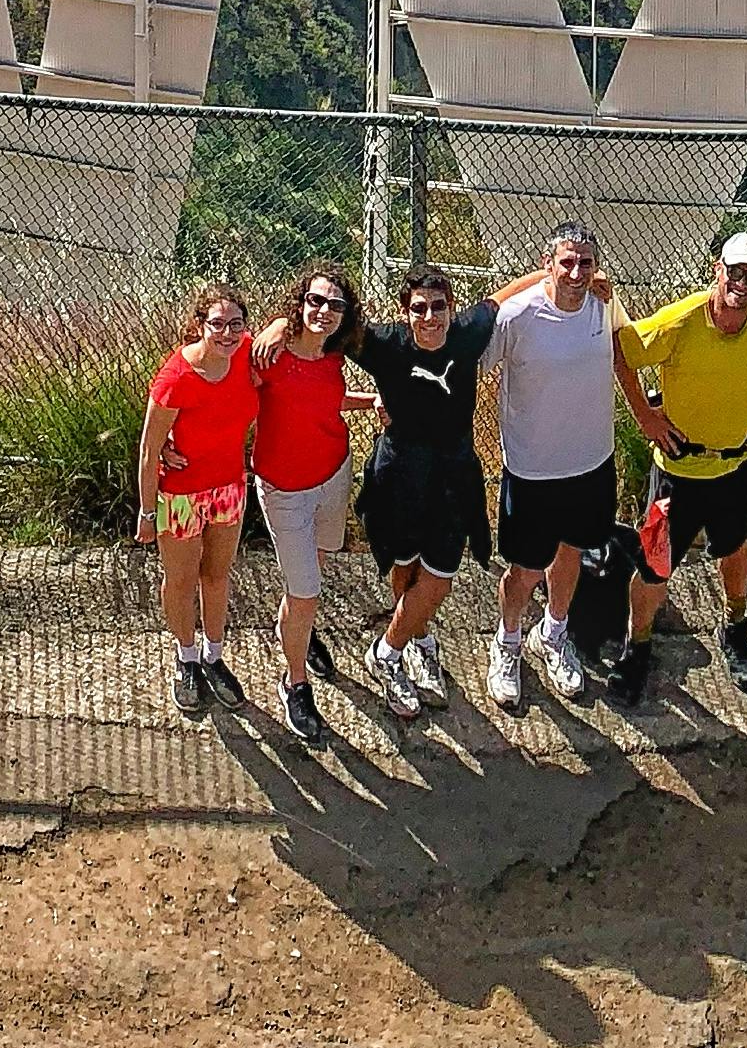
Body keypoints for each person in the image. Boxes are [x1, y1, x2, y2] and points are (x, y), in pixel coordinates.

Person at [611, 231, 747, 698]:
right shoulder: (680, 322)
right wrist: (646, 417)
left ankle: (735, 626)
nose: (743, 283)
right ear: (717, 270)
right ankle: (637, 645)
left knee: (735, 549)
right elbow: (624, 353)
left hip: (737, 466)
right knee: (654, 566)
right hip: (677, 474)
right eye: (736, 272)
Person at [340, 262, 499, 718]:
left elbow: (503, 297)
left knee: (442, 572)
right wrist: (275, 327)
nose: (430, 317)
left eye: (439, 307)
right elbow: (330, 325)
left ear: (452, 307)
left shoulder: (468, 334)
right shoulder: (387, 344)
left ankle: (386, 651)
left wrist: (560, 279)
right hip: (399, 473)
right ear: (403, 311)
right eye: (419, 309)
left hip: (453, 474)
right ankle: (416, 638)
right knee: (404, 562)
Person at [480, 225, 627, 711]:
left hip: (590, 464)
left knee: (571, 555)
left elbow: (631, 353)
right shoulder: (517, 316)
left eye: (586, 263)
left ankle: (554, 632)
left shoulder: (605, 307)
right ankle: (507, 643)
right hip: (531, 470)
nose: (576, 272)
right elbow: (471, 357)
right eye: (566, 262)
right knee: (523, 570)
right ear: (547, 263)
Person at [244, 268, 363, 737]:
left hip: (333, 473)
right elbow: (222, 387)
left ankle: (299, 631)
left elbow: (324, 402)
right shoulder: (267, 353)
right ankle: (295, 683)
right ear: (300, 302)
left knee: (311, 572)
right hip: (283, 489)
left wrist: (368, 400)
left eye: (335, 306)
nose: (324, 312)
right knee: (306, 590)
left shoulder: (334, 356)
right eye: (316, 301)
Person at [134, 283, 260, 720]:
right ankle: (186, 657)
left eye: (236, 325)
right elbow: (150, 449)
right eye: (217, 325)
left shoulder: (248, 355)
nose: (227, 334)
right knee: (181, 580)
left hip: (229, 489)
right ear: (199, 326)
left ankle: (213, 654)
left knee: (218, 575)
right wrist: (148, 511)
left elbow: (285, 331)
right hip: (181, 495)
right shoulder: (176, 377)